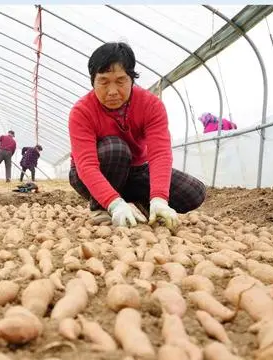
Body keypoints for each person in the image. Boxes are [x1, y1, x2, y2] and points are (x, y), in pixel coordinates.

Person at [68, 42, 206, 229]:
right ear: (93, 81)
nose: (112, 91)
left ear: (132, 79)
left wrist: (159, 198)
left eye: (120, 81)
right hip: (95, 171)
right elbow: (86, 165)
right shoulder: (82, 111)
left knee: (194, 192)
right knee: (116, 149)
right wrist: (113, 203)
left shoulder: (151, 105)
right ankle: (102, 206)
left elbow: (159, 154)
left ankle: (141, 205)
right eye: (104, 81)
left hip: (135, 171)